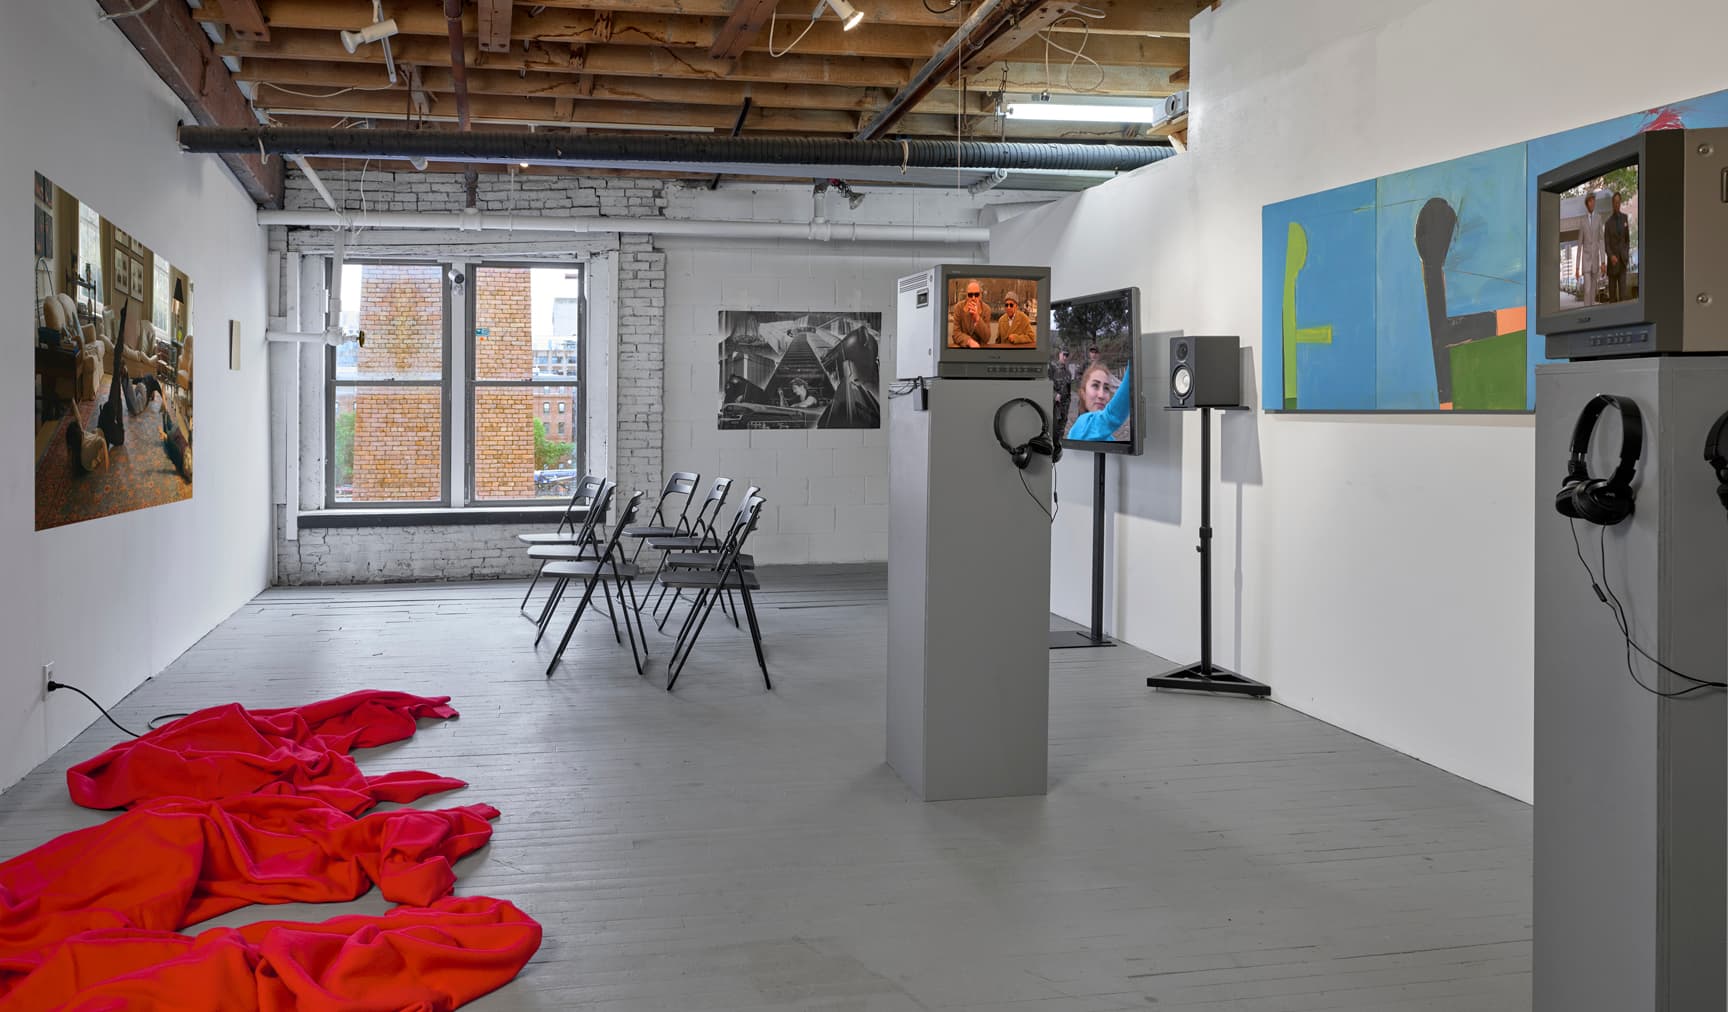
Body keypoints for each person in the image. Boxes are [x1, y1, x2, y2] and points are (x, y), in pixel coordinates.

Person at [1066, 362, 1132, 441]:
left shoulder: (1109, 437)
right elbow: (1113, 415)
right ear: (1083, 394)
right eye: (1095, 385)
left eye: (1106, 388)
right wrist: (1133, 364)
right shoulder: (1081, 427)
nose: (1101, 395)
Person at [1576, 190, 1603, 307]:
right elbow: (1579, 244)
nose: (1593, 203)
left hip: (1596, 260)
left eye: (1594, 201)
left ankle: (1592, 315)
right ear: (1587, 203)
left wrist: (1603, 261)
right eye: (1590, 201)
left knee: (1593, 291)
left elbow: (1601, 240)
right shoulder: (1582, 221)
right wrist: (1577, 267)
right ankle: (1586, 312)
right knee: (1587, 290)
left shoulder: (1599, 218)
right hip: (1586, 261)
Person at [948, 281, 992, 348]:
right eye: (970, 295)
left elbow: (986, 337)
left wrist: (977, 318)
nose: (973, 298)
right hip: (963, 348)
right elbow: (956, 333)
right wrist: (969, 341)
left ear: (980, 295)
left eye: (976, 295)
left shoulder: (986, 309)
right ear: (967, 295)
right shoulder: (959, 308)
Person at [1604, 191, 1631, 303]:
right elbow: (1607, 244)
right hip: (1613, 264)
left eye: (1618, 202)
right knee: (1613, 298)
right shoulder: (1608, 223)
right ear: (1612, 204)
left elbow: (1627, 240)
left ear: (1620, 203)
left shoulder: (1625, 218)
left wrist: (1626, 253)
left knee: (1623, 297)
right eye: (1615, 202)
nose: (1617, 204)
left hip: (1623, 262)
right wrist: (1611, 256)